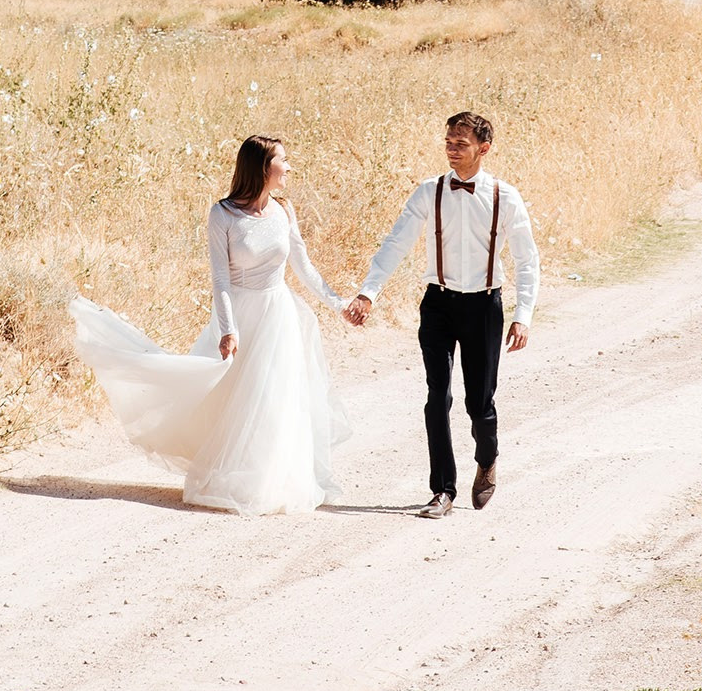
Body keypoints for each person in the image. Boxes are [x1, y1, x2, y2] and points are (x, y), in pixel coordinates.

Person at [70, 134, 350, 516]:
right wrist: (228, 329)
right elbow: (220, 279)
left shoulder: (284, 211)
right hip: (241, 316)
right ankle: (230, 475)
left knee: (275, 399)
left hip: (278, 317)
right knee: (229, 399)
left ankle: (272, 480)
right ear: (262, 167)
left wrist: (339, 304)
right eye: (282, 159)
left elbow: (304, 267)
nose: (288, 166)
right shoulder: (224, 214)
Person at [344, 110, 538, 518]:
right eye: (448, 142)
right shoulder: (428, 192)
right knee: (438, 397)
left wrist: (523, 314)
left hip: (484, 306)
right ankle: (443, 490)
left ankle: (487, 458)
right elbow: (396, 243)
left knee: (479, 404)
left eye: (461, 144)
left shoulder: (505, 197)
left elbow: (527, 260)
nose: (451, 149)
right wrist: (368, 292)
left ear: (484, 149)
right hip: (438, 304)